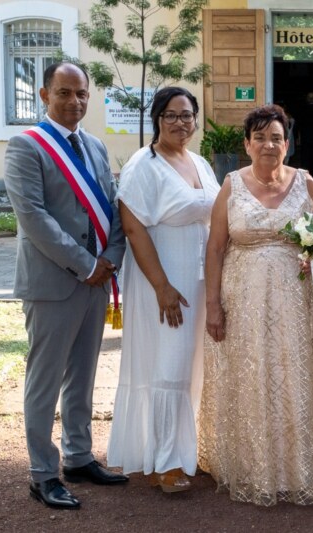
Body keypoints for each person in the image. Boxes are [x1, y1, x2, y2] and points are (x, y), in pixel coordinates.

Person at [200, 104, 313, 506]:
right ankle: (253, 467)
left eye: (277, 137)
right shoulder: (230, 184)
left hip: (296, 299)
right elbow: (215, 248)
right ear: (247, 144)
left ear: (288, 143)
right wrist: (213, 305)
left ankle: (298, 466)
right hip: (244, 297)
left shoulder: (305, 182)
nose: (269, 144)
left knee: (293, 374)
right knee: (253, 374)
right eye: (260, 137)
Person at [3, 61, 127, 510]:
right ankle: (42, 473)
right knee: (45, 381)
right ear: (43, 94)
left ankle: (78, 457)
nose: (74, 101)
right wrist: (86, 263)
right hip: (53, 282)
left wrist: (111, 258)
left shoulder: (94, 145)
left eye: (81, 94)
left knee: (84, 376)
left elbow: (113, 208)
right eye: (64, 93)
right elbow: (34, 218)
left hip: (95, 280)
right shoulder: (25, 146)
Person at [106, 87, 220, 492]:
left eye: (187, 115)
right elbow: (134, 228)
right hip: (165, 282)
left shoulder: (200, 163)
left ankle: (186, 452)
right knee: (168, 367)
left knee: (192, 368)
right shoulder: (144, 165)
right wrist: (162, 286)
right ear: (157, 118)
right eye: (171, 115)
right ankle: (164, 462)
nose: (180, 123)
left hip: (200, 279)